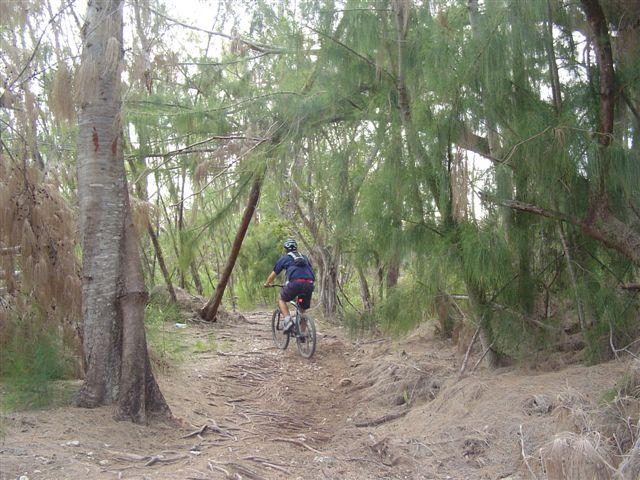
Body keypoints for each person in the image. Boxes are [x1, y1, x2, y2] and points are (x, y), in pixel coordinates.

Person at [263, 238, 315, 331]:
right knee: (302, 310)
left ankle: (288, 320)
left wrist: (267, 284)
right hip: (309, 284)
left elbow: (273, 275)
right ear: (296, 248)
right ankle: (303, 334)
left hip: (296, 283)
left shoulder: (285, 258)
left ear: (285, 249)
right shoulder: (304, 257)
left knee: (281, 299)